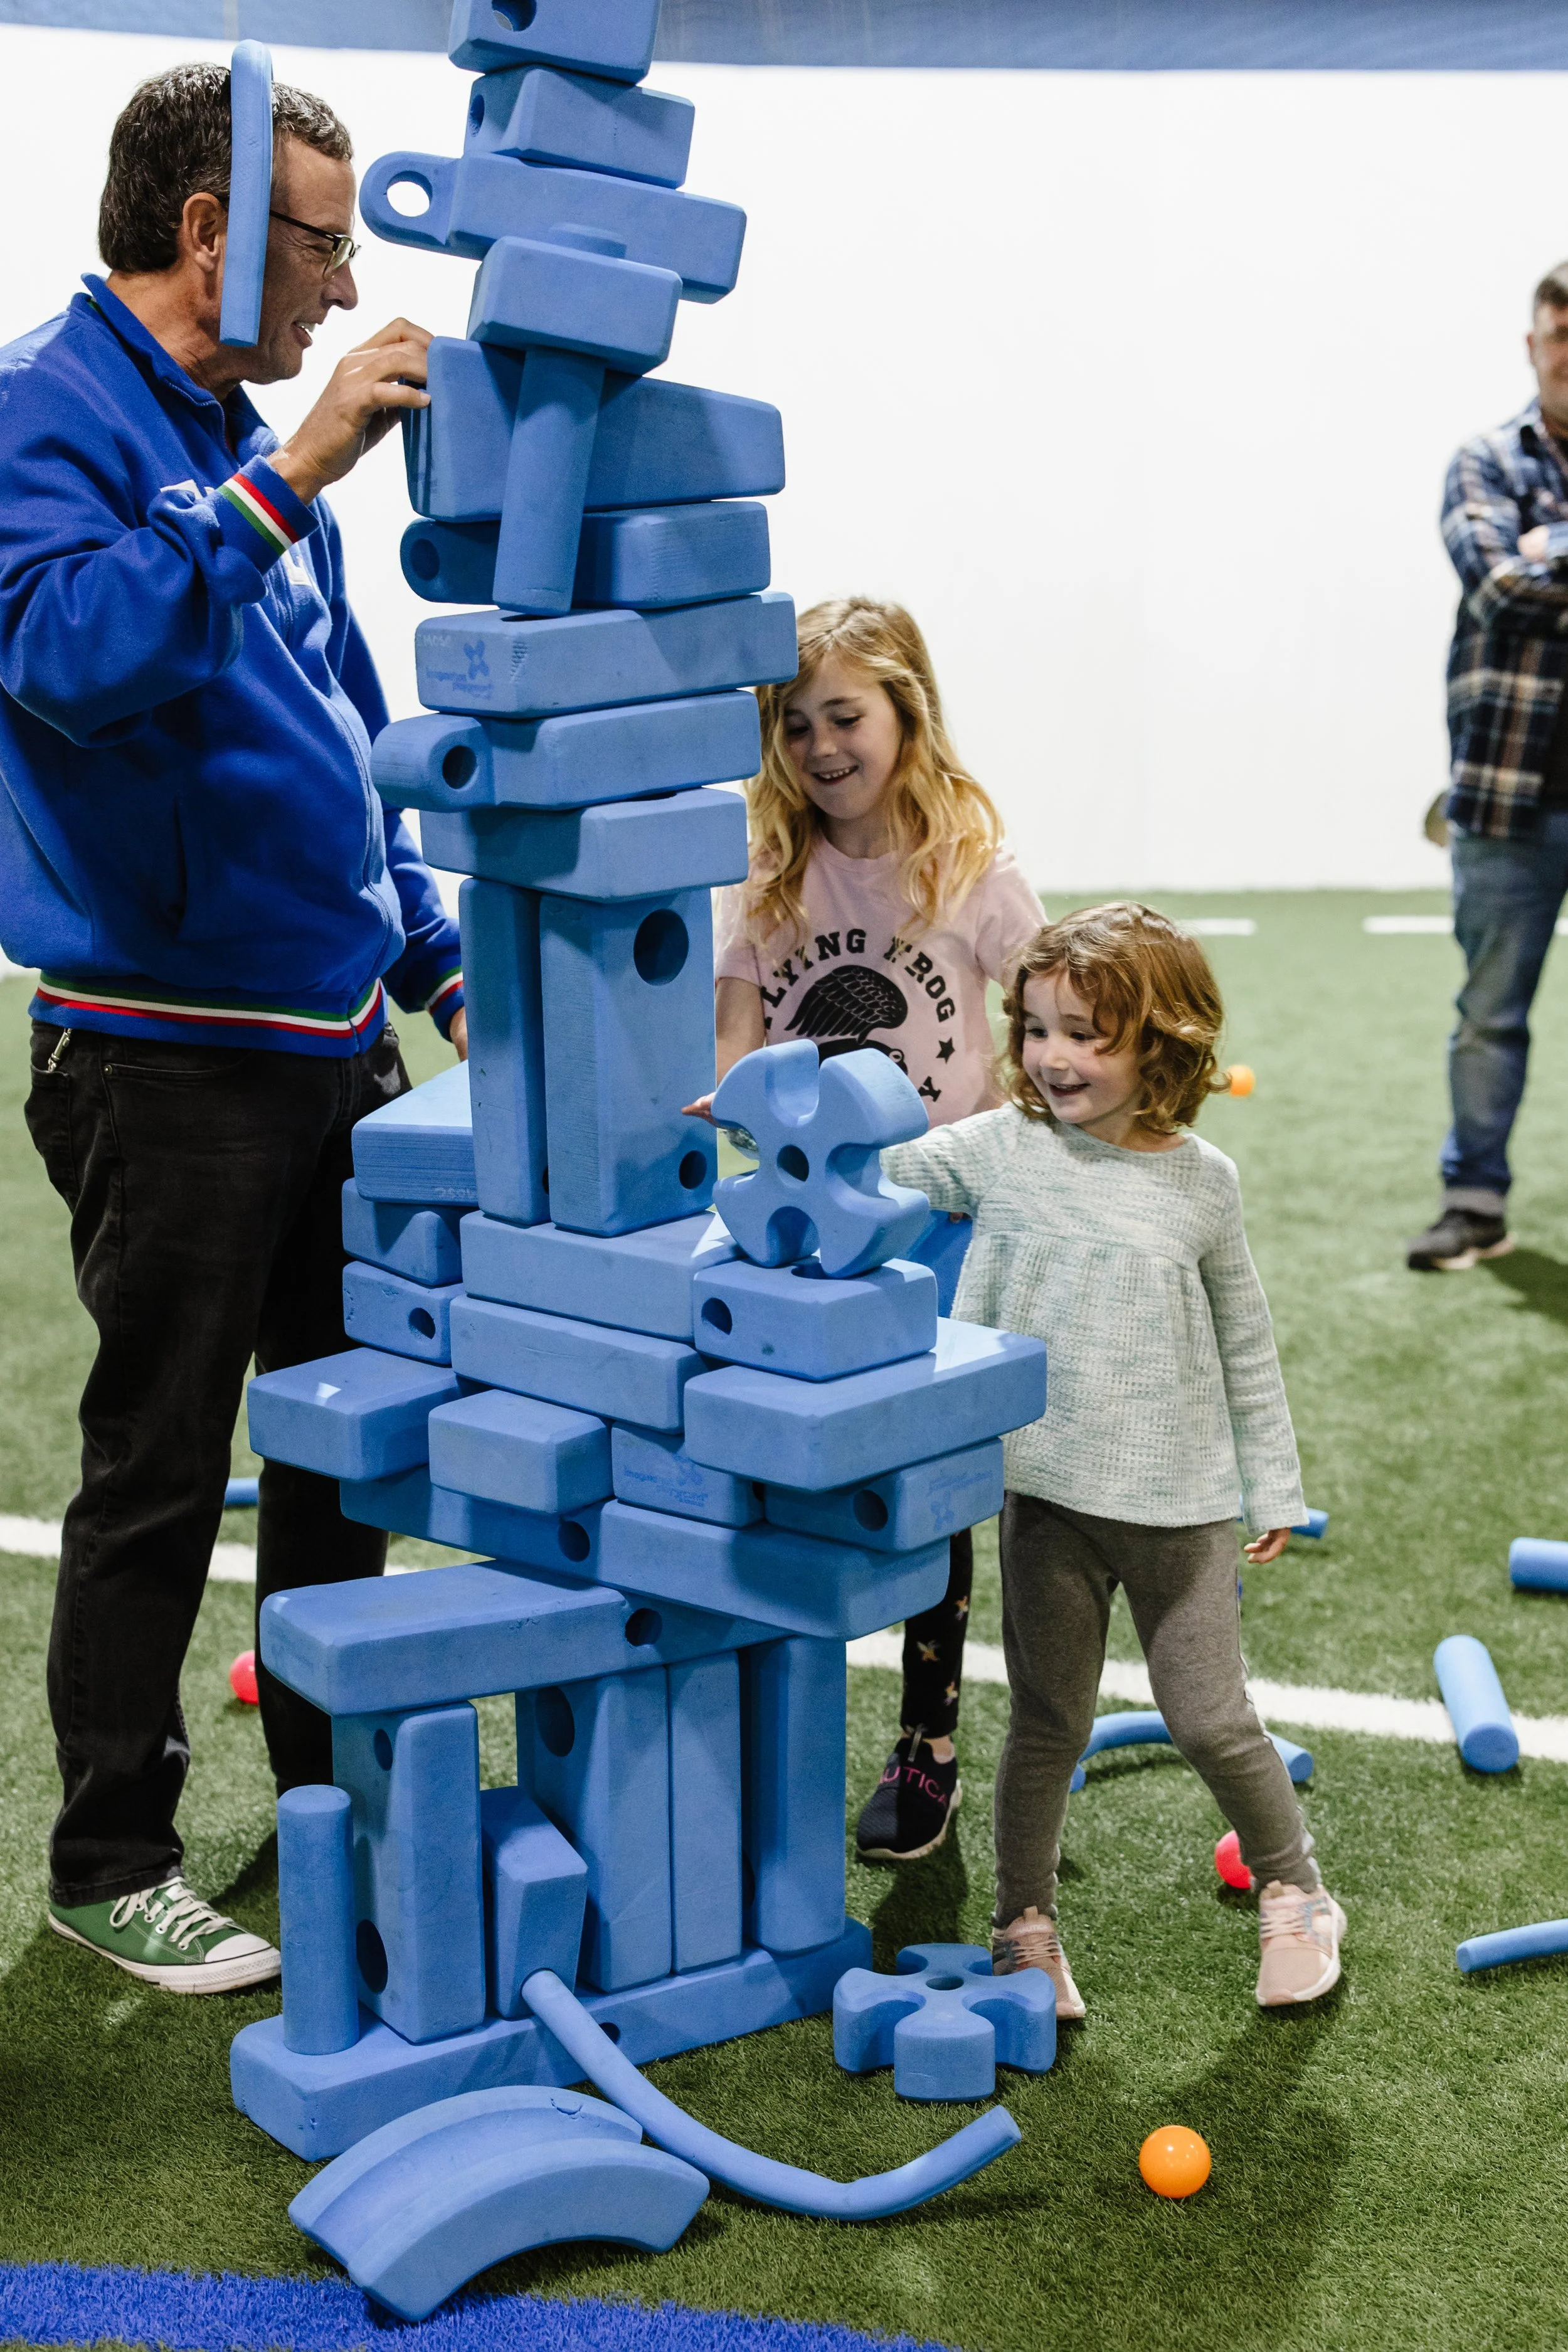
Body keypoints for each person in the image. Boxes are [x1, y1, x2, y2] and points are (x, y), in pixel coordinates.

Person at [0, 63, 464, 1989]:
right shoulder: (46, 404)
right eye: (320, 241)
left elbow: (344, 744)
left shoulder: (233, 424)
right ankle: (108, 1852)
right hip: (160, 1046)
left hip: (323, 1035)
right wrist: (287, 479)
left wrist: (431, 951)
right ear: (210, 231)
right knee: (162, 1461)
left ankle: (323, 1804)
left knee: (342, 1454)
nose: (342, 285)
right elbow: (67, 654)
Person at [880, 904, 1345, 2014]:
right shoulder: (1001, 1146)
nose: (1054, 1056)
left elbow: (1248, 1341)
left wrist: (1271, 1484)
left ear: (1162, 1043)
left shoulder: (1202, 1181)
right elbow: (878, 1164)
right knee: (1048, 1720)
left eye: (1087, 1033)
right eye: (1037, 1029)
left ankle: (1298, 1890)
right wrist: (756, 1126)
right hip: (1045, 1499)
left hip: (1179, 1511)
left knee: (1212, 1719)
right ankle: (1023, 1924)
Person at [692, 595, 1043, 1864]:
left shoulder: (969, 861)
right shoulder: (764, 862)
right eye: (794, 726)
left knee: (925, 1496)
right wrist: (727, 1093)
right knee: (770, 1469)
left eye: (845, 716)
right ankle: (749, 1718)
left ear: (906, 711)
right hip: (789, 1237)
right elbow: (735, 1030)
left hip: (933, 1237)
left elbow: (1044, 996)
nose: (821, 747)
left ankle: (925, 1739)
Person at [1409, 260, 1568, 1272]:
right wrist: (1535, 552)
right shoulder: (1484, 460)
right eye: (1562, 338)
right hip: (1512, 798)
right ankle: (1474, 1204)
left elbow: (1531, 566)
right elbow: (1500, 581)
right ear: (1534, 344)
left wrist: (1553, 542)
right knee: (1491, 1017)